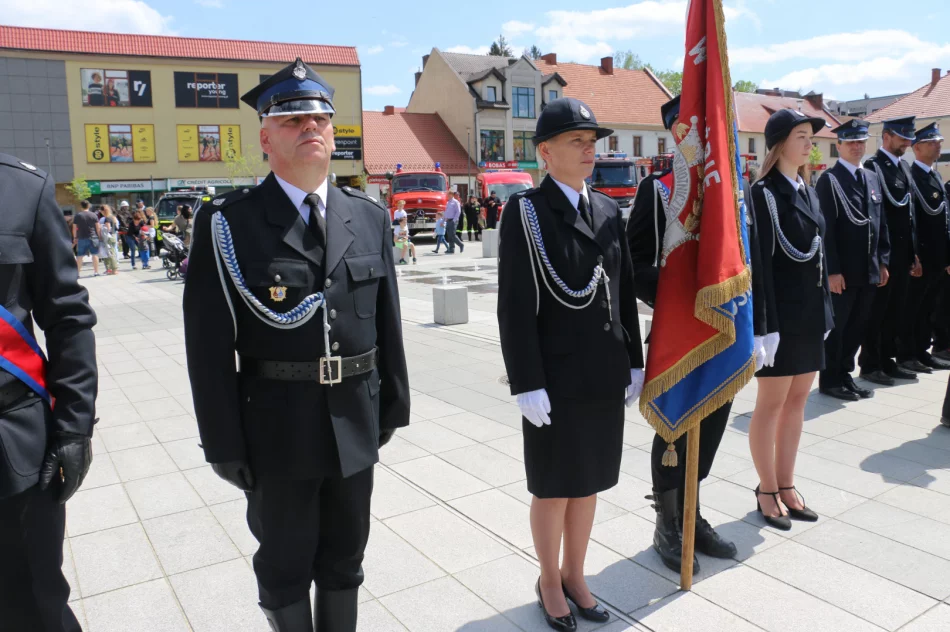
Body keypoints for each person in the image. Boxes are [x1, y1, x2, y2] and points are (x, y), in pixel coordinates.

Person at [183, 58, 409, 632]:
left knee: (346, 559)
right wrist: (222, 442)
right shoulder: (228, 224)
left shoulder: (368, 217)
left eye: (320, 119)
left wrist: (392, 405)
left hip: (354, 418)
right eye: (291, 120)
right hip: (275, 428)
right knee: (284, 565)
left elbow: (387, 323)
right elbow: (208, 349)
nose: (310, 127)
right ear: (265, 138)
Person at [498, 97, 644, 631]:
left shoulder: (605, 209)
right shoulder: (527, 212)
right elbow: (514, 304)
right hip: (555, 378)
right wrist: (526, 381)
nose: (589, 150)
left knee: (588, 483)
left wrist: (634, 360)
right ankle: (549, 580)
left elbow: (622, 292)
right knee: (554, 485)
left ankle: (576, 575)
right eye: (576, 141)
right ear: (546, 152)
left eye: (592, 142)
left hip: (603, 371)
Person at [624, 95, 737, 572]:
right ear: (677, 132)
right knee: (674, 428)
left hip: (722, 329)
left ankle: (692, 509)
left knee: (711, 423)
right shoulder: (658, 190)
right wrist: (678, 297)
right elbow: (633, 264)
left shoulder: (728, 190)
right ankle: (667, 521)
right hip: (678, 329)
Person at [0, 152, 98, 632]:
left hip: (10, 449)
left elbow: (67, 316)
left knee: (32, 606)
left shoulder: (23, 188)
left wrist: (74, 427)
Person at [748, 109, 834, 530]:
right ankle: (766, 488)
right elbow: (759, 266)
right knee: (771, 404)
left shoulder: (808, 190)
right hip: (780, 321)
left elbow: (819, 256)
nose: (809, 144)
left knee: (797, 402)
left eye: (810, 137)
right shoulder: (762, 194)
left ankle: (786, 483)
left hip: (808, 316)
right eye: (801, 136)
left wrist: (826, 313)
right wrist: (764, 327)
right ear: (780, 143)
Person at [817, 119, 890, 401]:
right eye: (851, 142)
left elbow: (880, 222)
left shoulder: (871, 177)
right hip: (844, 272)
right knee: (839, 329)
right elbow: (826, 230)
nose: (857, 147)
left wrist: (882, 261)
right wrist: (832, 271)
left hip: (868, 269)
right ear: (839, 146)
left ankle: (845, 375)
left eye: (861, 142)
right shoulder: (830, 180)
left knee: (857, 327)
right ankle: (830, 379)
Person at [859, 117, 921, 385]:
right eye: (902, 137)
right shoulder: (873, 167)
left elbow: (910, 214)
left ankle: (887, 360)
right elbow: (876, 217)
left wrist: (913, 252)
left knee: (896, 312)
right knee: (877, 314)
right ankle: (870, 364)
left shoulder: (903, 167)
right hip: (885, 254)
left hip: (903, 254)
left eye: (909, 138)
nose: (907, 142)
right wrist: (880, 259)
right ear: (886, 137)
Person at [901, 123, 950, 372]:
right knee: (913, 309)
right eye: (931, 142)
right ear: (917, 148)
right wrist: (914, 255)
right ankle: (907, 354)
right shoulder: (911, 177)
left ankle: (921, 351)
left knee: (929, 308)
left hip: (937, 257)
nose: (937, 146)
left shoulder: (935, 176)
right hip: (921, 256)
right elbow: (911, 220)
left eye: (938, 142)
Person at [72, 199, 102, 277]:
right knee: (95, 255)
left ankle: (77, 274)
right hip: (93, 237)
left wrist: (75, 237)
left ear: (81, 206)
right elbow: (98, 227)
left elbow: (74, 228)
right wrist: (99, 237)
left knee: (80, 256)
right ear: (88, 206)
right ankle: (96, 272)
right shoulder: (94, 215)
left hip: (81, 237)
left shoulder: (78, 216)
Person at [98, 204, 120, 275]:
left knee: (110, 253)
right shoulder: (113, 217)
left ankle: (114, 269)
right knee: (112, 252)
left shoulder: (107, 218)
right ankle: (112, 269)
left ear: (102, 211)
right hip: (113, 236)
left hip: (108, 237)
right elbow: (116, 228)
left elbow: (108, 228)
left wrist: (101, 228)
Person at [443, 189, 465, 254]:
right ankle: (451, 249)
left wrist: (454, 220)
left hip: (453, 220)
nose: (447, 196)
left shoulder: (455, 202)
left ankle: (461, 244)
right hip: (448, 220)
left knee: (452, 235)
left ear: (451, 195)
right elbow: (447, 212)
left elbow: (458, 212)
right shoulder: (448, 202)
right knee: (449, 235)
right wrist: (444, 219)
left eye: (448, 194)